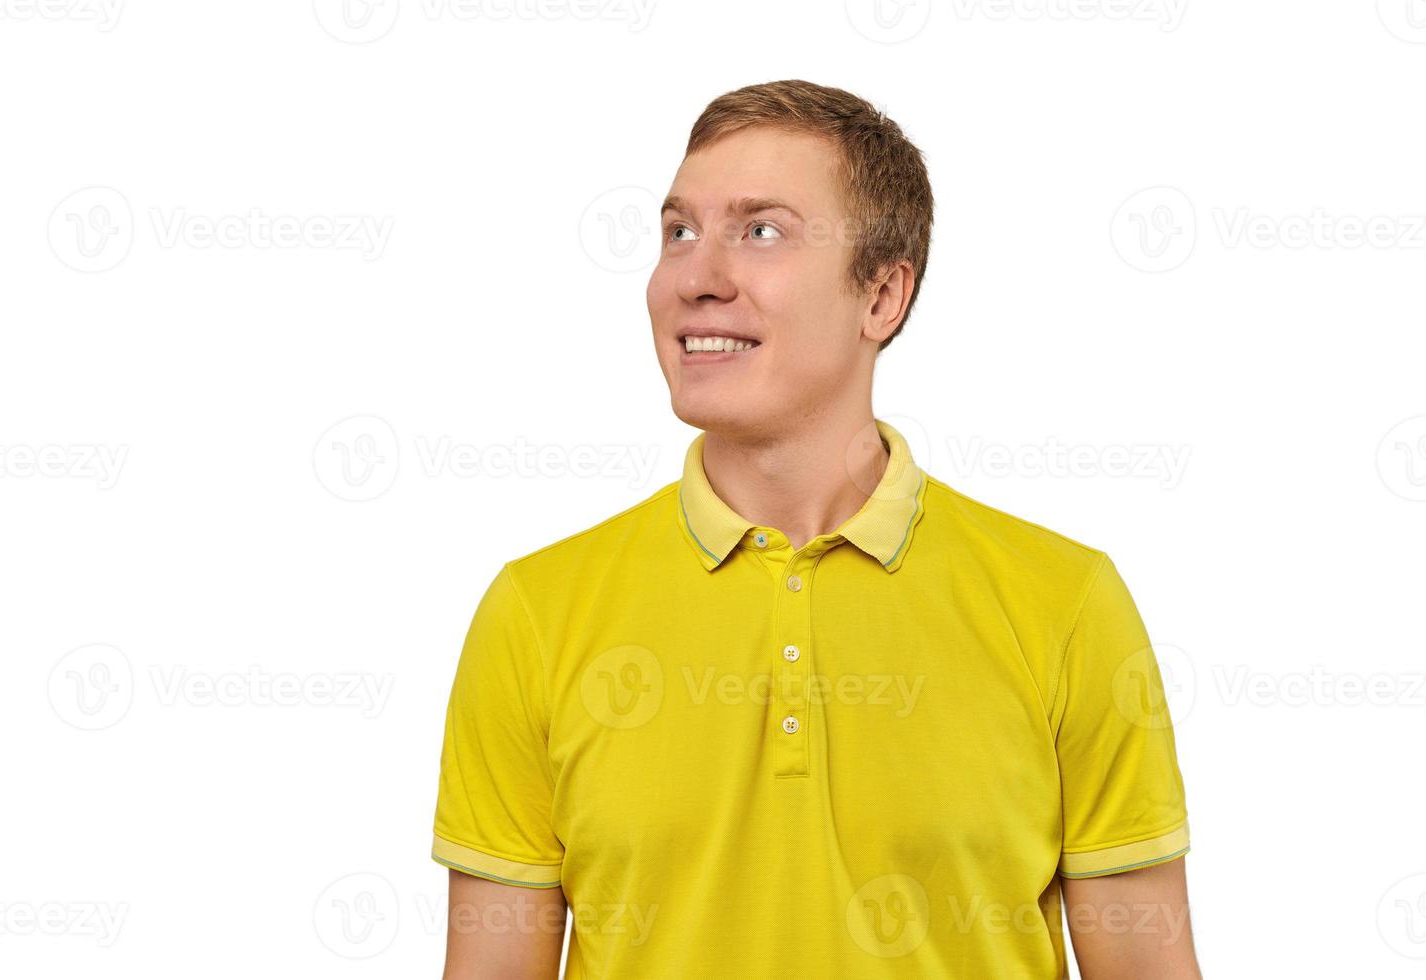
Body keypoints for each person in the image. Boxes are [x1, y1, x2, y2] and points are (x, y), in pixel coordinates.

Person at [430, 78, 1200, 979]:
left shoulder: (1066, 603)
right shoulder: (535, 613)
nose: (697, 278)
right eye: (679, 231)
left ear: (883, 297)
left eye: (761, 231)